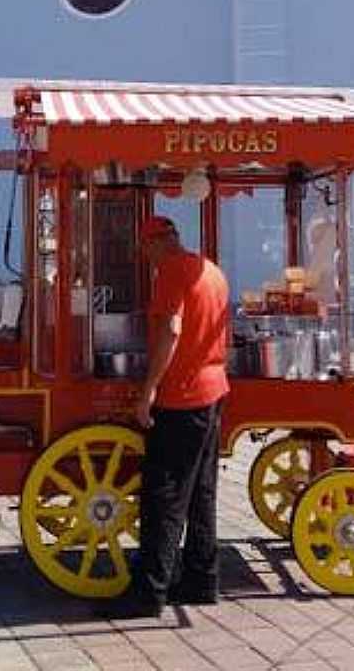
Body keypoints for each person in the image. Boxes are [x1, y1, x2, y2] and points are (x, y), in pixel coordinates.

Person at [124, 214, 229, 616]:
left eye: (145, 250)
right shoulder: (213, 271)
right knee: (201, 492)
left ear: (155, 244)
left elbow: (170, 329)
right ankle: (203, 579)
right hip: (214, 390)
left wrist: (148, 389)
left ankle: (149, 592)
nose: (146, 259)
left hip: (183, 396)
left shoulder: (169, 271)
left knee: (163, 496)